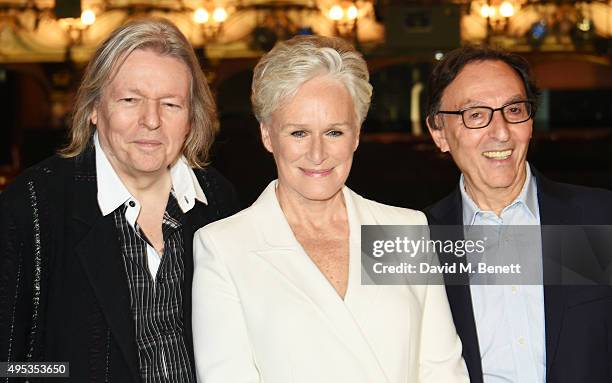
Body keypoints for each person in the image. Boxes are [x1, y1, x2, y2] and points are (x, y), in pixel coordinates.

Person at [191, 35, 468, 383]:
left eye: (334, 132)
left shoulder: (405, 229)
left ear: (356, 135)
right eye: (298, 133)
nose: (318, 154)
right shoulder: (224, 247)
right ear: (267, 135)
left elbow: (442, 371)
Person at [0, 18, 239, 382]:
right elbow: (9, 366)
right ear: (95, 108)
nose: (151, 120)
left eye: (171, 104)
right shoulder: (31, 208)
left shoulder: (220, 200)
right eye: (130, 100)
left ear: (191, 118)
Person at [425, 45, 612, 383]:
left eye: (513, 110)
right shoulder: (419, 242)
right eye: (476, 114)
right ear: (439, 133)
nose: (501, 132)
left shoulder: (599, 218)